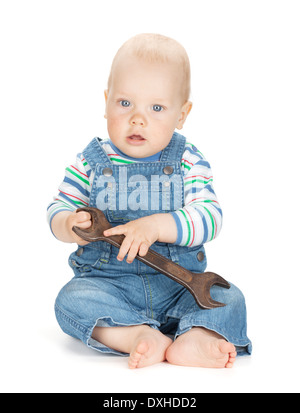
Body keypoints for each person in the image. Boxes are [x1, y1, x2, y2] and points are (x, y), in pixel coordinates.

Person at [47, 33, 252, 369]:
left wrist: (158, 225)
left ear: (182, 114)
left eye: (156, 108)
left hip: (180, 286)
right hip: (109, 286)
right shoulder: (89, 162)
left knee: (229, 297)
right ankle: (137, 335)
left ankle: (196, 336)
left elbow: (210, 217)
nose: (137, 118)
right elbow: (58, 208)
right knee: (70, 301)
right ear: (106, 100)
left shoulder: (187, 159)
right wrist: (68, 224)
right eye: (125, 103)